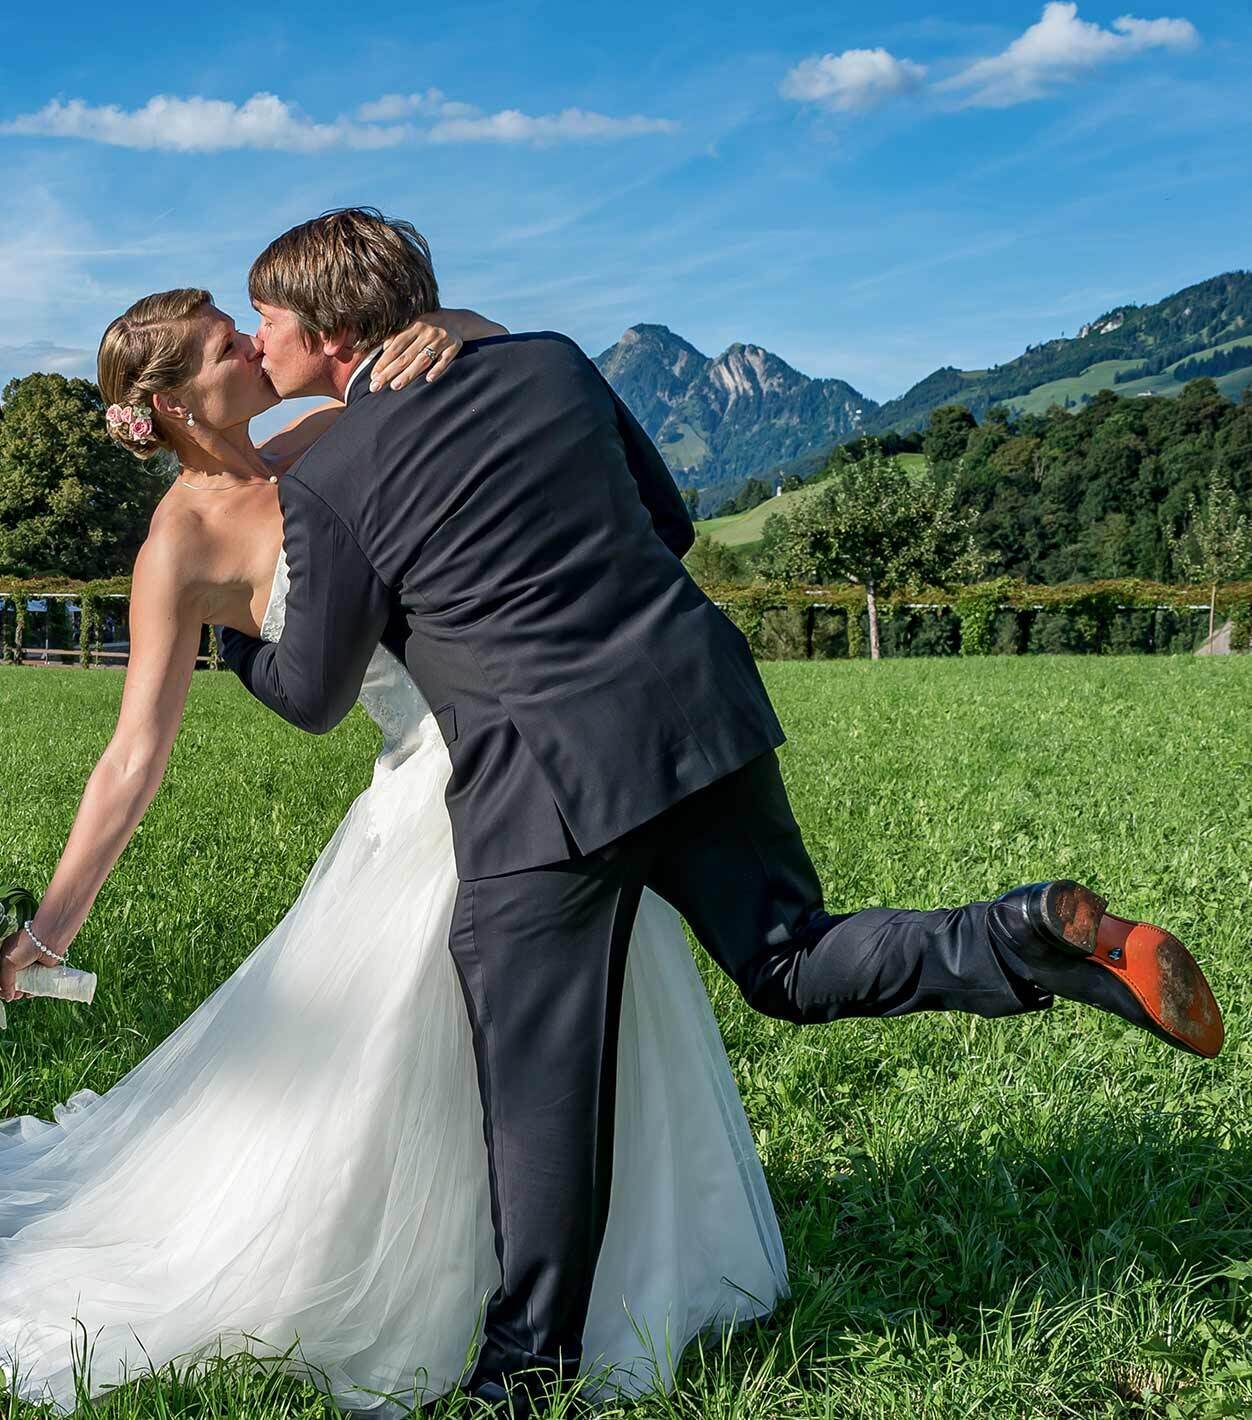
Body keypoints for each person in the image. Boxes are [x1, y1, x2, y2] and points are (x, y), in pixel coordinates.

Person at [216, 209, 1224, 1405]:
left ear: (332, 334)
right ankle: (1016, 932)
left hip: (543, 787)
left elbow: (315, 692)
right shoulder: (549, 363)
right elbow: (674, 522)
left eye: (266, 315)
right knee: (792, 959)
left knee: (541, 1085)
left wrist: (230, 638)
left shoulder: (329, 476)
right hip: (699, 704)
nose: (252, 336)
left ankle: (524, 1369)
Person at [0, 290, 790, 1413]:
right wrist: (51, 922)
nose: (251, 340)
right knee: (422, 1054)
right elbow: (132, 756)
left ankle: (574, 1279)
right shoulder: (178, 544)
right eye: (222, 344)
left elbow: (484, 360)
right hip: (437, 790)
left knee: (576, 1034)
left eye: (245, 328)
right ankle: (460, 1288)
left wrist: (453, 323)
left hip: (537, 748)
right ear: (174, 402)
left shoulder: (322, 438)